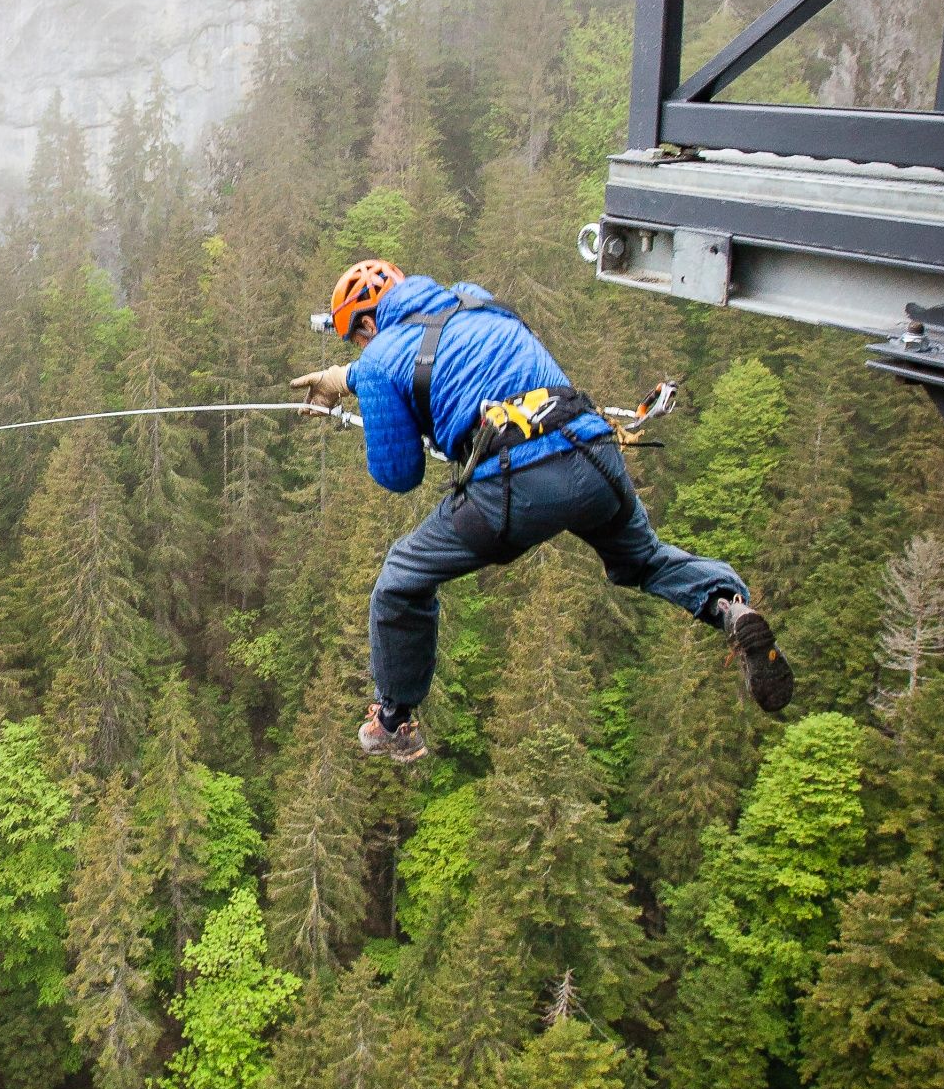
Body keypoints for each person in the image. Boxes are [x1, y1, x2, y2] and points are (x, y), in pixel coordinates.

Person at [290, 259, 792, 764]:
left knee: (401, 579)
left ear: (369, 325)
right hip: (593, 451)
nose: (362, 350)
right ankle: (728, 603)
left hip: (514, 485)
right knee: (644, 559)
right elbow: (429, 349)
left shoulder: (380, 359)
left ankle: (396, 721)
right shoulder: (474, 297)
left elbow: (400, 474)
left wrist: (372, 386)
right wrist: (350, 377)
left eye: (357, 340)